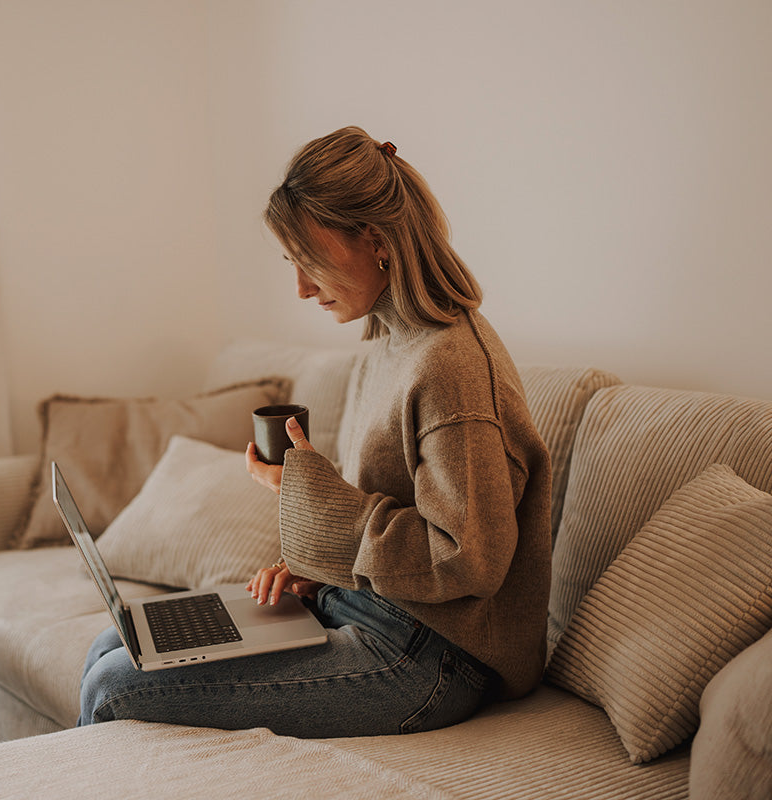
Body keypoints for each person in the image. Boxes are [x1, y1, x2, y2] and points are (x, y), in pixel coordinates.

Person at [78, 126, 552, 738]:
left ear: (376, 240)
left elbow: (467, 559)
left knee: (112, 687)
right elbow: (385, 514)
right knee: (114, 644)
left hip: (431, 654)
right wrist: (316, 565)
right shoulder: (388, 338)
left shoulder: (453, 369)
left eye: (312, 262)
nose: (301, 288)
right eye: (291, 263)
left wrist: (309, 501)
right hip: (367, 605)